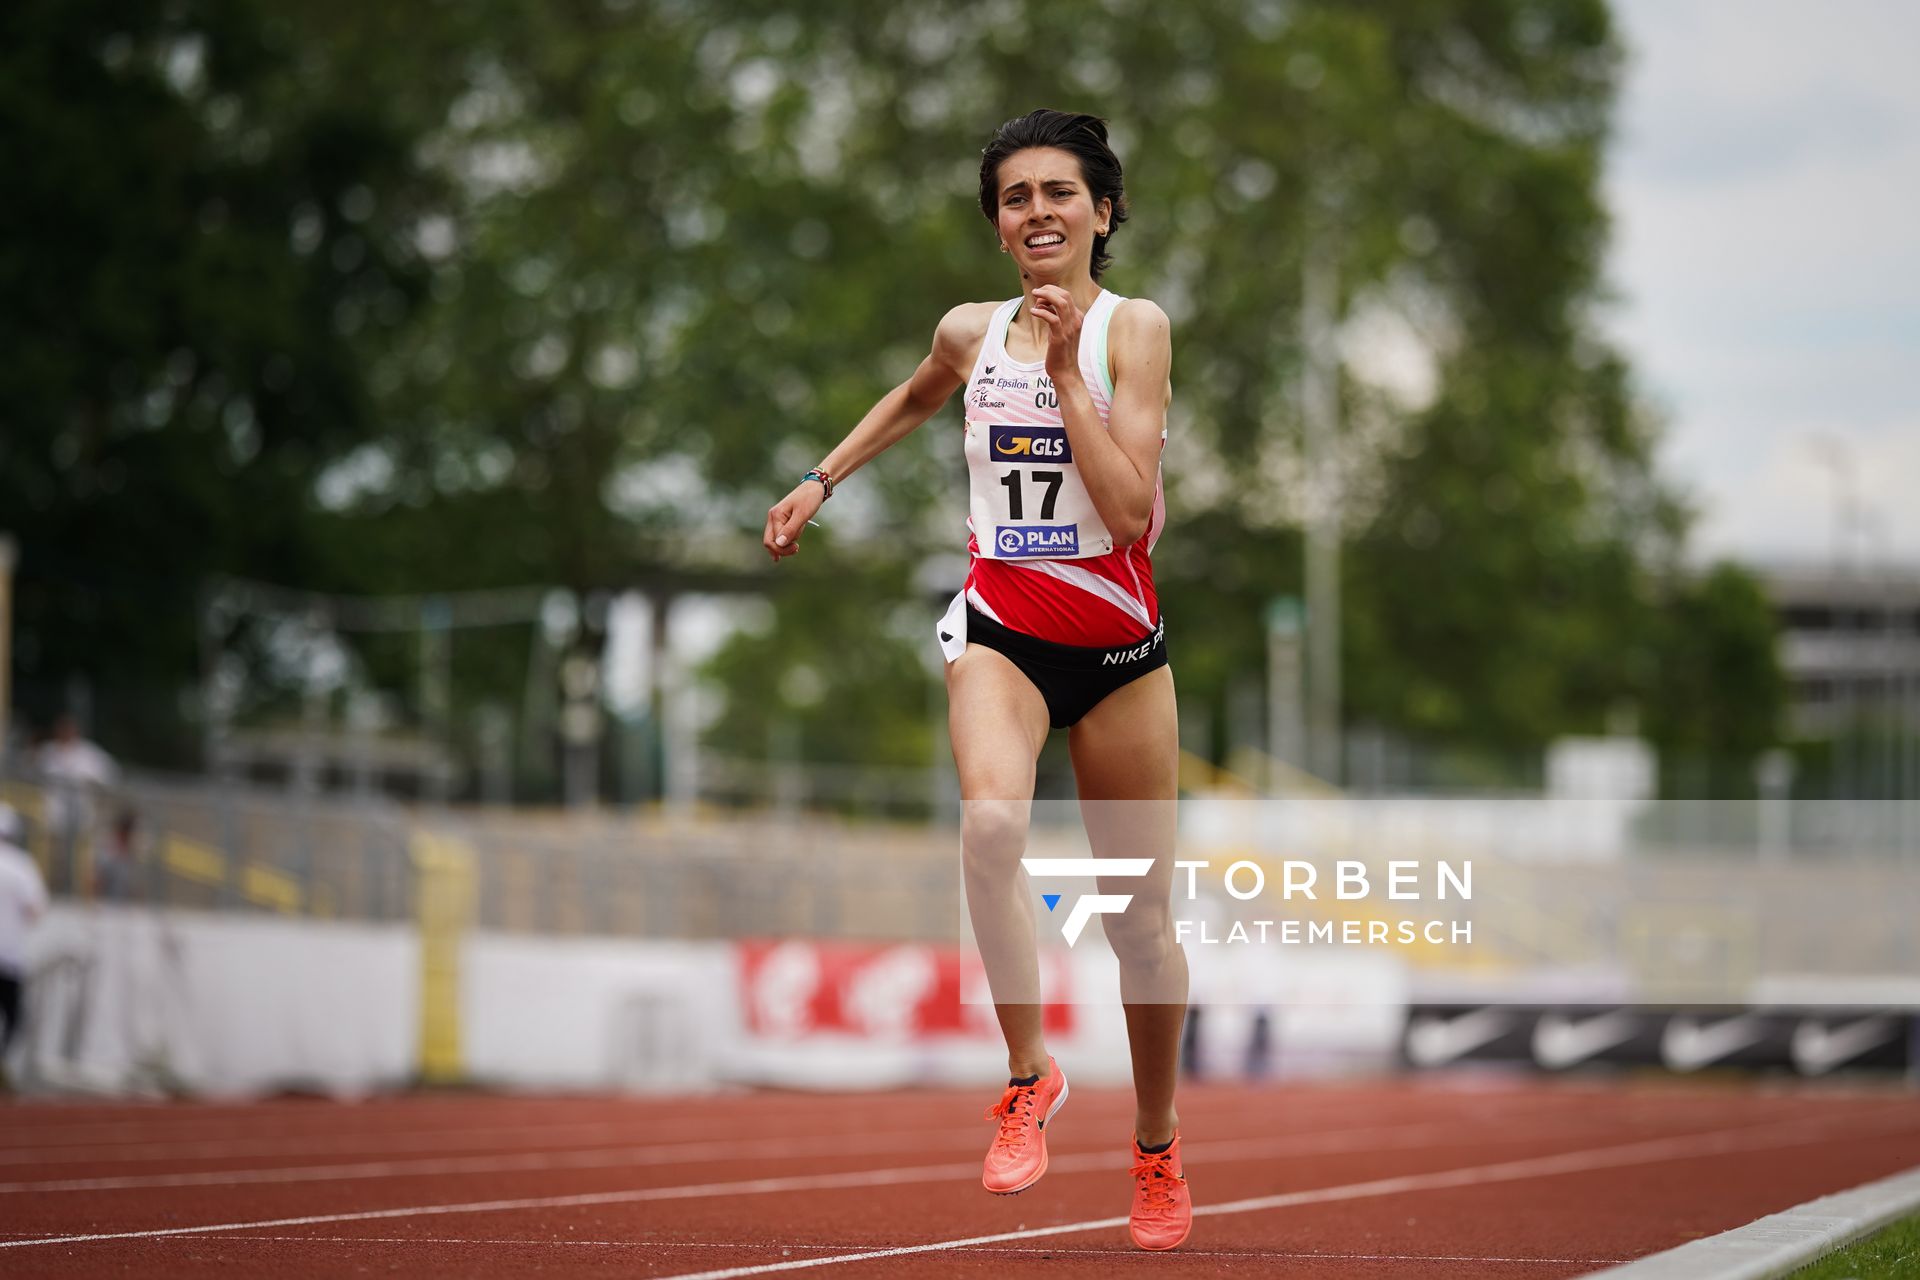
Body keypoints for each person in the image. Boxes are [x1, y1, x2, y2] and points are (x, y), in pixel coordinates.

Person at [763, 109, 1191, 1250]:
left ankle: (1156, 1144)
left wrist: (1063, 375)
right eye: (1015, 197)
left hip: (1119, 652)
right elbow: (917, 394)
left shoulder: (1135, 330)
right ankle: (1028, 1073)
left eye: (1060, 192)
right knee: (991, 828)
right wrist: (821, 478)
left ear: (1103, 211)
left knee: (1142, 926)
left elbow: (1130, 514)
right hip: (1003, 629)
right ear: (998, 226)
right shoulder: (969, 330)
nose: (1037, 211)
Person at [37, 714, 118, 896]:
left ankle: (81, 893)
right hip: (54, 813)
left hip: (81, 813)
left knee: (82, 858)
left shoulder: (88, 754)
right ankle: (49, 887)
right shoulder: (49, 752)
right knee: (52, 854)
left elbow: (110, 774)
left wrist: (93, 787)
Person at [0, 802, 50, 1087]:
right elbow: (35, 911)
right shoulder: (21, 865)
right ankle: (2, 1062)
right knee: (13, 1017)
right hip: (9, 956)